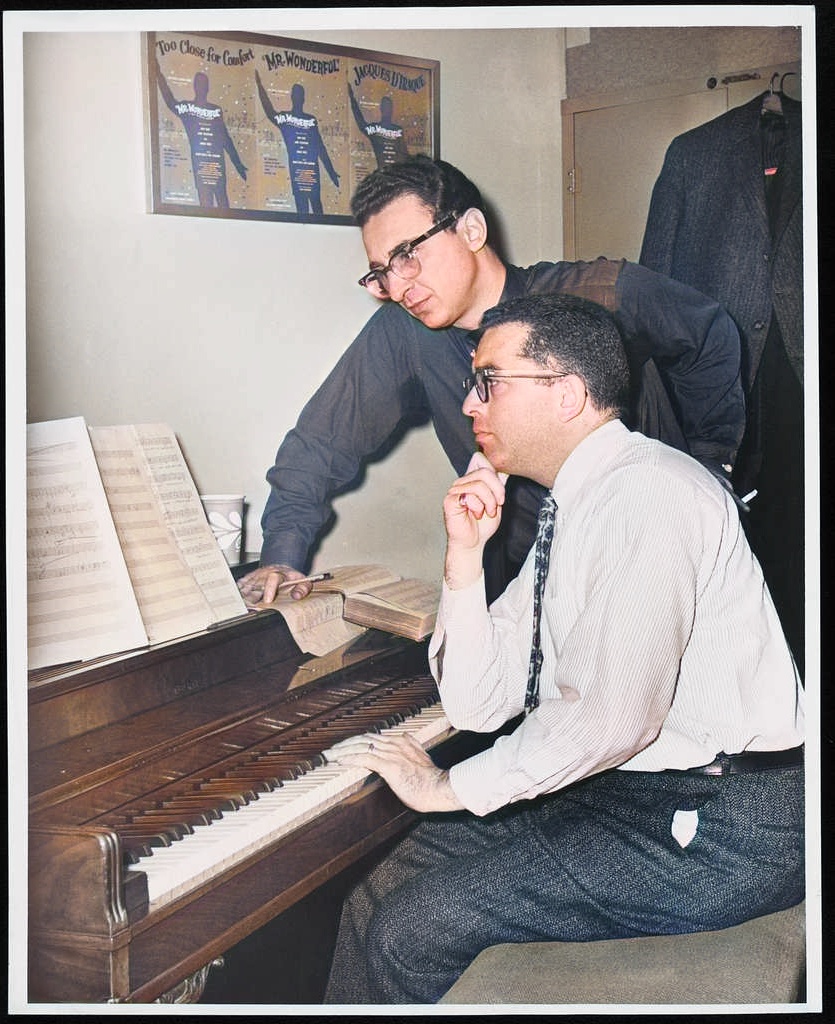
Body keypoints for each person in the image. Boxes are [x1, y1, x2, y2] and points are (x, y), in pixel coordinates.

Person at [319, 293, 805, 1004]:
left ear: (567, 394)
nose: (466, 405)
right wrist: (464, 556)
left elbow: (612, 721)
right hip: (627, 796)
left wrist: (447, 788)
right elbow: (479, 705)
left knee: (412, 926)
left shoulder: (647, 494)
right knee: (380, 879)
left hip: (720, 830)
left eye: (487, 381)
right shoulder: (578, 500)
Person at [237, 155, 746, 607]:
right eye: (380, 273)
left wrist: (707, 462)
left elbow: (710, 335)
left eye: (407, 254)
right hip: (526, 585)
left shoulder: (601, 293)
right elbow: (322, 440)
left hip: (651, 562)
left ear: (472, 231)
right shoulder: (406, 331)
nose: (396, 286)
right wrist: (283, 550)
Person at [156, 58, 247, 209]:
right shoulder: (188, 108)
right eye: (199, 84)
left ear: (207, 88)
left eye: (204, 84)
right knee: (206, 210)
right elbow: (170, 101)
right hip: (202, 171)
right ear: (195, 87)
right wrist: (158, 74)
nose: (202, 87)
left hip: (218, 172)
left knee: (224, 208)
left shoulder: (215, 110)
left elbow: (226, 139)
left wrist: (238, 164)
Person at [255, 72, 340, 217]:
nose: (298, 97)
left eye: (300, 94)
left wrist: (331, 171)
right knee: (302, 214)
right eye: (296, 94)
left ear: (303, 98)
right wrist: (260, 87)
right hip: (298, 175)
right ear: (292, 97)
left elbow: (320, 148)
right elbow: (269, 112)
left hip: (312, 176)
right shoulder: (285, 118)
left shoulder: (310, 120)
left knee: (318, 210)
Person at [349, 84, 409, 169]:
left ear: (391, 109)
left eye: (388, 107)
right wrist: (352, 99)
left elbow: (404, 154)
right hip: (384, 173)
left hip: (397, 174)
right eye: (385, 107)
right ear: (381, 109)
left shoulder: (398, 130)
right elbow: (361, 123)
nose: (387, 110)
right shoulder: (374, 129)